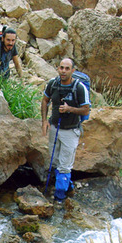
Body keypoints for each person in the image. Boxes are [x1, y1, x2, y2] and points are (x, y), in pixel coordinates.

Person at [41, 58, 91, 202]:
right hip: (55, 127)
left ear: (72, 71)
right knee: (55, 161)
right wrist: (44, 121)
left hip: (71, 131)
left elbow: (86, 109)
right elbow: (45, 100)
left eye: (67, 68)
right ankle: (68, 188)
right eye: (61, 68)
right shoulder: (53, 84)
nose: (63, 71)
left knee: (64, 166)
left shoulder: (79, 88)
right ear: (58, 68)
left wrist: (69, 109)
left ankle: (59, 198)